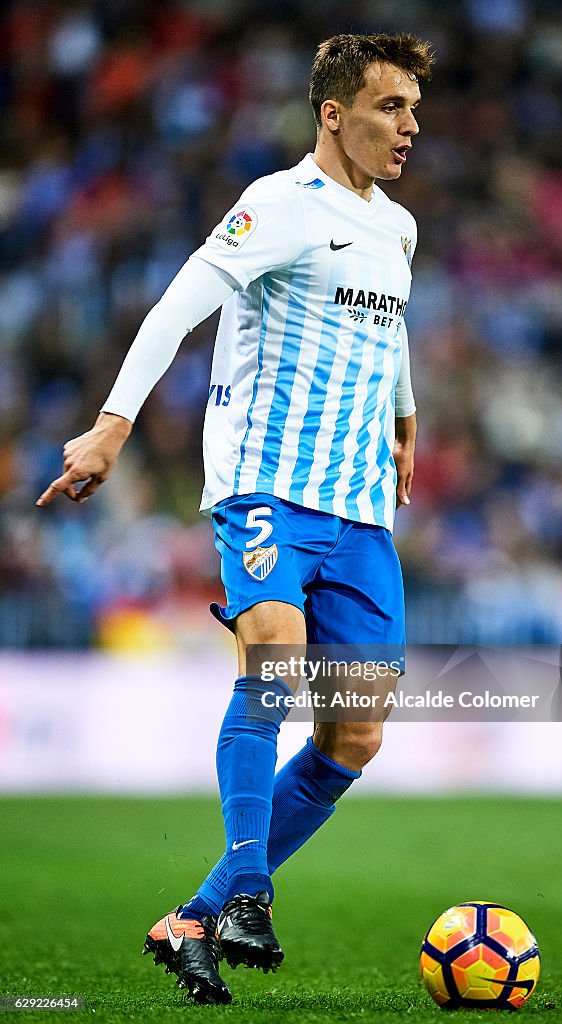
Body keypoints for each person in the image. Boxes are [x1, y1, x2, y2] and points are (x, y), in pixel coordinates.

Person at [37, 32, 433, 1006]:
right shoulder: (276, 206)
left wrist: (404, 421)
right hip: (264, 486)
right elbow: (176, 309)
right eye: (391, 107)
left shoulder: (399, 229)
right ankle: (251, 888)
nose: (409, 127)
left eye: (415, 110)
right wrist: (112, 424)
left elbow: (388, 333)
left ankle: (197, 913)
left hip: (357, 511)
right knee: (272, 666)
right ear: (334, 113)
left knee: (355, 737)